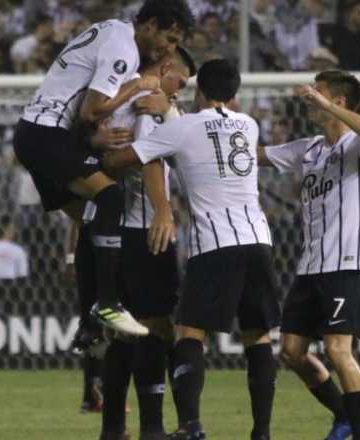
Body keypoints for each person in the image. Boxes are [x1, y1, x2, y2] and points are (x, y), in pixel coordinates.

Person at [103, 59, 279, 440]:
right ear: (234, 93)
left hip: (216, 243)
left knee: (188, 333)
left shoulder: (183, 128)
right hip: (259, 241)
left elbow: (130, 158)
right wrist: (169, 112)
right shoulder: (248, 125)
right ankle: (262, 433)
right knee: (258, 336)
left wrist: (110, 147)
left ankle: (191, 426)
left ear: (199, 91)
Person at [12, 0, 194, 337]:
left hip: (35, 133)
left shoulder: (112, 29)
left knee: (91, 219)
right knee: (109, 198)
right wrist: (137, 86)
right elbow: (91, 111)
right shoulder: (124, 50)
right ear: (150, 24)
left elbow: (85, 109)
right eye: (169, 38)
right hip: (46, 133)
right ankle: (107, 304)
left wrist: (93, 140)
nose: (168, 48)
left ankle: (89, 326)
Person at [258, 70, 360, 440]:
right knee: (292, 352)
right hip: (310, 267)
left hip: (345, 265)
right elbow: (257, 155)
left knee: (337, 350)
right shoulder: (309, 149)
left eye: (319, 91)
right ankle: (344, 415)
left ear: (338, 101)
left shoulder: (359, 147)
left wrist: (325, 105)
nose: (309, 97)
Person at [95, 46, 195, 440]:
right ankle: (151, 428)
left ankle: (113, 428)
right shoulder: (148, 104)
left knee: (123, 332)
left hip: (115, 229)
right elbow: (150, 158)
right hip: (145, 228)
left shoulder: (127, 97)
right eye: (179, 81)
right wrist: (164, 211)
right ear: (166, 68)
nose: (179, 91)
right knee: (155, 328)